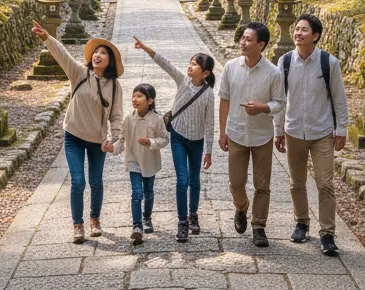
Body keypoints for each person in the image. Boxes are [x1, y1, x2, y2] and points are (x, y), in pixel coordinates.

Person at [31, 20, 123, 244]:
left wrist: (113, 139)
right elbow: (63, 55)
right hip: (73, 136)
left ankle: (95, 220)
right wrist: (47, 38)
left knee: (96, 182)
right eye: (96, 52)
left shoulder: (114, 87)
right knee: (78, 181)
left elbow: (116, 117)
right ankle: (78, 225)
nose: (98, 55)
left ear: (110, 61)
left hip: (98, 140)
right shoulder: (80, 74)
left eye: (103, 53)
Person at [274, 14, 350, 256]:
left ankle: (327, 233)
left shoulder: (329, 62)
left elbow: (339, 98)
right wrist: (278, 130)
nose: (298, 33)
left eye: (304, 30)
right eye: (297, 29)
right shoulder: (285, 61)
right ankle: (301, 223)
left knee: (325, 183)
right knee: (296, 182)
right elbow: (280, 99)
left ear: (315, 36)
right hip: (294, 130)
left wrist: (342, 129)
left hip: (322, 131)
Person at [134, 37, 214, 242]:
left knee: (194, 180)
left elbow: (209, 123)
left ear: (205, 73)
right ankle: (182, 221)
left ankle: (193, 214)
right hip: (178, 136)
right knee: (182, 180)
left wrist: (209, 151)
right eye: (191, 62)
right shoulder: (182, 81)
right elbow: (165, 63)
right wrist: (146, 48)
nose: (190, 66)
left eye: (195, 64)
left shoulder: (208, 94)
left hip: (197, 140)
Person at [218, 21, 285, 247]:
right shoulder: (231, 67)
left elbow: (280, 103)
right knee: (236, 183)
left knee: (262, 185)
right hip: (236, 132)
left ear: (261, 45)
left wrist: (263, 108)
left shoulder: (273, 73)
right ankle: (241, 207)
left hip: (262, 135)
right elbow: (224, 100)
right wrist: (222, 131)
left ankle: (259, 226)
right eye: (243, 38)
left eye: (249, 39)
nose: (243, 43)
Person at [112, 83, 168, 244]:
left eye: (139, 96)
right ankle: (136, 226)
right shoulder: (128, 119)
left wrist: (151, 142)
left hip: (150, 162)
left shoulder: (157, 119)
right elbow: (121, 140)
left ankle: (147, 217)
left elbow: (165, 139)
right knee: (136, 193)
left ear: (150, 101)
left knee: (148, 192)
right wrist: (111, 148)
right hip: (133, 161)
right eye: (134, 96)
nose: (135, 99)